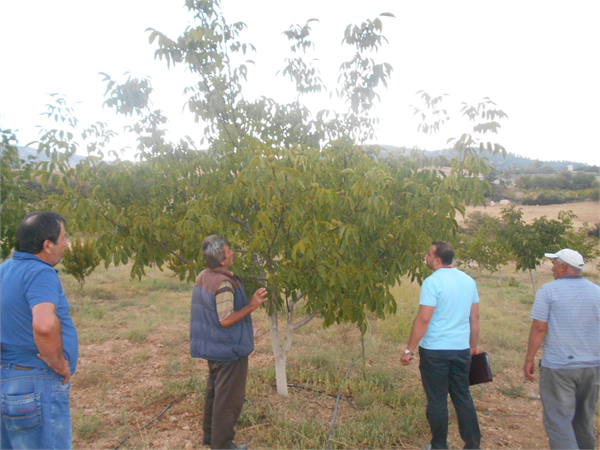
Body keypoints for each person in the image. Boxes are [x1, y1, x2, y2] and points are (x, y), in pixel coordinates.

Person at [1, 212, 78, 450]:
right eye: (63, 238)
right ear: (47, 245)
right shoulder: (40, 273)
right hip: (34, 383)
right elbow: (44, 325)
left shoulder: (4, 270)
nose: (66, 244)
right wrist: (58, 363)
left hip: (6, 379)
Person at [401, 241, 481, 450]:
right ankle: (473, 445)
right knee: (462, 396)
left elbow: (424, 319)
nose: (425, 257)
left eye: (428, 254)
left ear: (437, 259)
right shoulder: (468, 281)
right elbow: (475, 318)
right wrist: (472, 346)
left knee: (437, 399)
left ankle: (439, 446)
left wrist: (409, 350)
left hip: (435, 351)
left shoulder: (432, 282)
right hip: (461, 349)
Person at [190, 235, 268, 450]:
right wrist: (252, 305)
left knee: (214, 395)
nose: (232, 251)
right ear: (222, 260)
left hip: (213, 348)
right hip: (228, 350)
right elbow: (225, 320)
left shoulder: (203, 276)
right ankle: (223, 445)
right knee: (228, 401)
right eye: (228, 250)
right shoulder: (224, 283)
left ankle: (210, 439)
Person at [523, 248, 600, 449]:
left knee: (558, 421)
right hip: (592, 366)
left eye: (554, 263)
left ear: (564, 267)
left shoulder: (548, 291)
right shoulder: (597, 291)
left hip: (558, 367)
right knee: (584, 421)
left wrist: (529, 358)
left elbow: (540, 327)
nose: (552, 268)